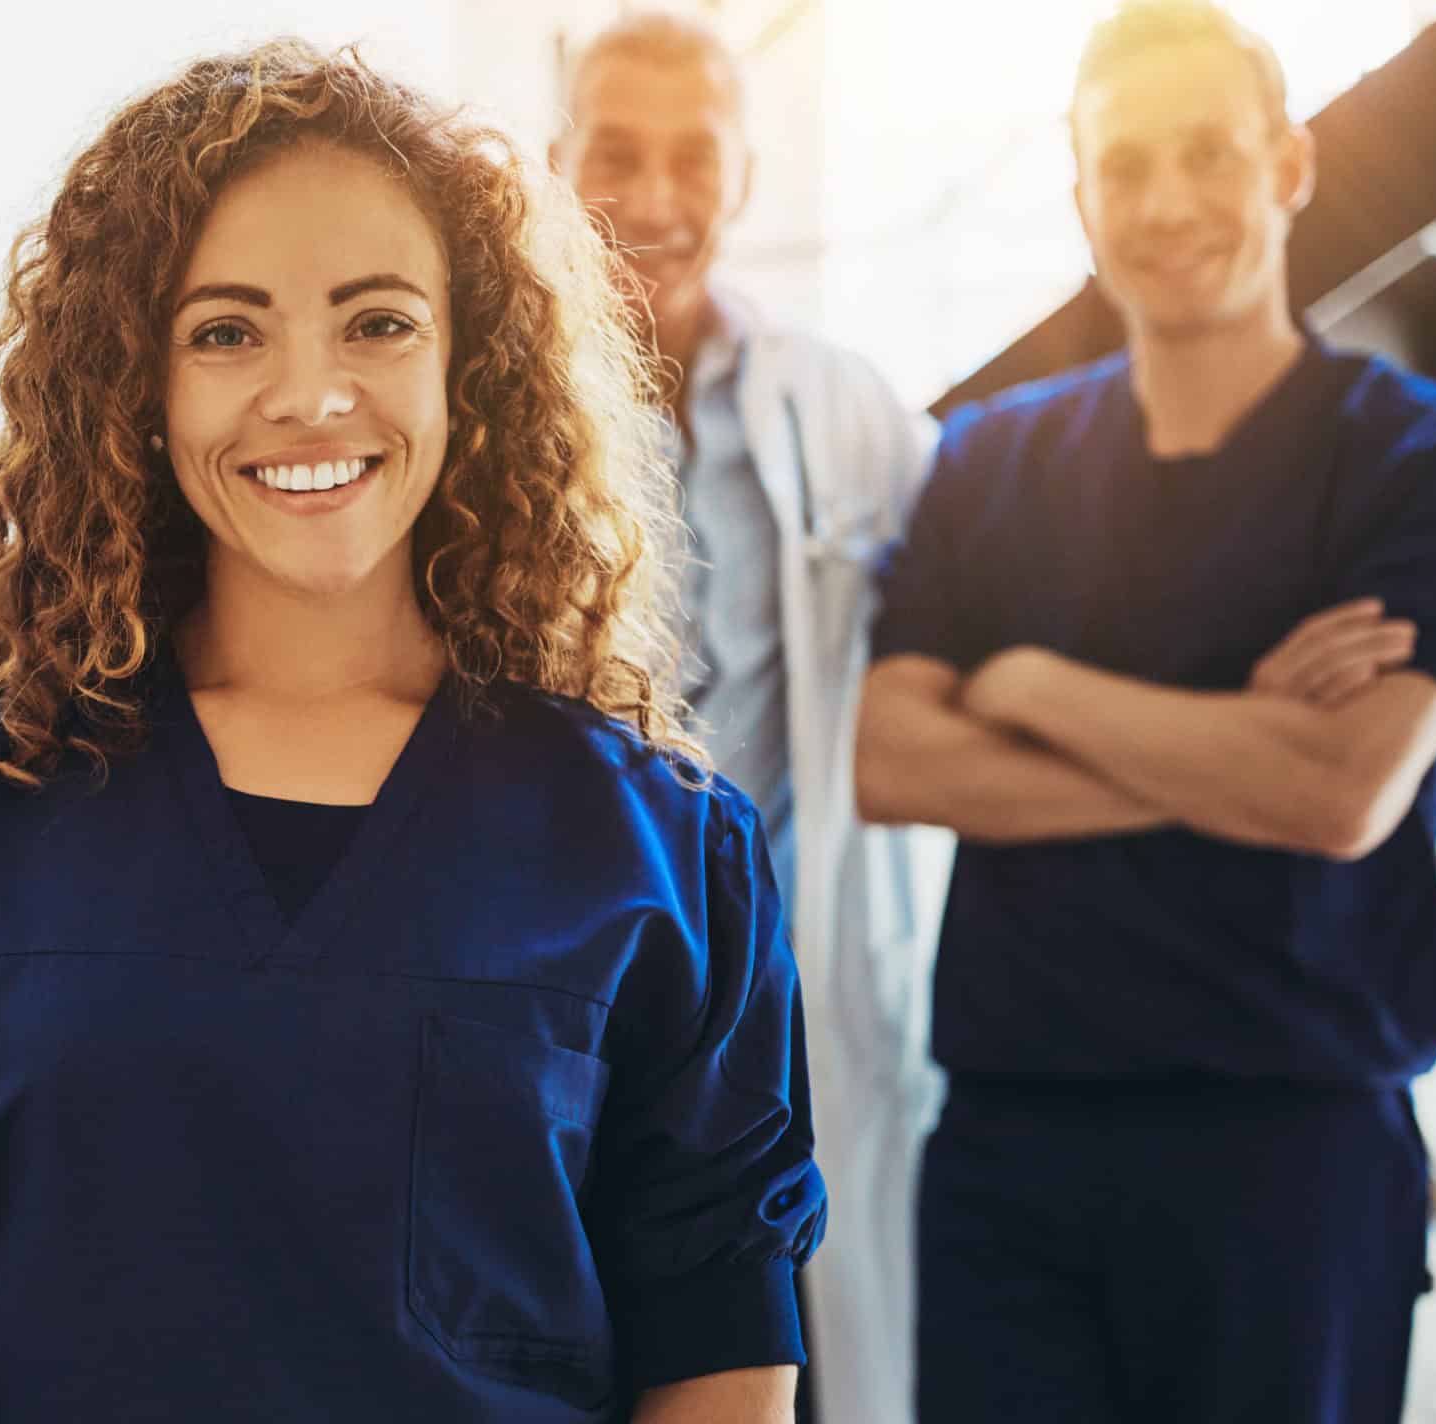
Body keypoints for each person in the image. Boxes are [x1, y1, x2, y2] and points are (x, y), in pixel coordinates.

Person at [0, 41, 823, 1424]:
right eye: (226, 331)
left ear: (472, 365)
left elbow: (718, 1356)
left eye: (379, 322)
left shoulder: (659, 851)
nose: (310, 395)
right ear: (136, 381)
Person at [854, 4, 1436, 1420]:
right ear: (1083, 194)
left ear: (1287, 166)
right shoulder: (990, 463)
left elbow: (1344, 792)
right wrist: (1239, 748)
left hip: (1294, 1153)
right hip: (1010, 1150)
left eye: (1208, 155)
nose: (1166, 204)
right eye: (1125, 166)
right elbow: (891, 755)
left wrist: (1033, 692)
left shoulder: (1420, 451)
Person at [548, 15, 941, 1423]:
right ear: (556, 159)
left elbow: (980, 616)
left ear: (744, 175)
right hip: (575, 976)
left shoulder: (844, 409)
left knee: (800, 1363)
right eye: (616, 152)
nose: (655, 196)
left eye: (692, 156)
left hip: (799, 988)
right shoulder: (482, 404)